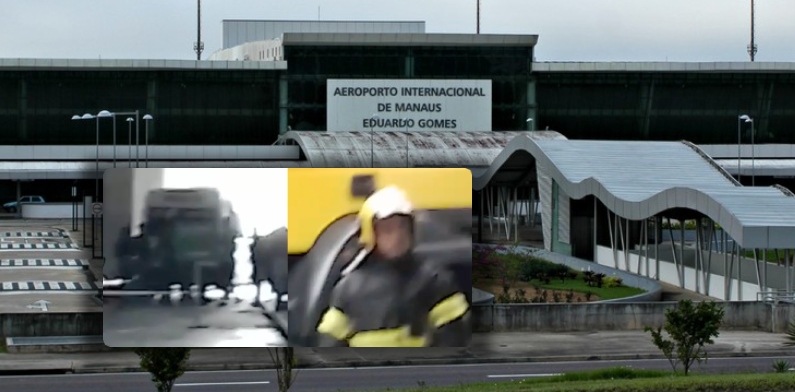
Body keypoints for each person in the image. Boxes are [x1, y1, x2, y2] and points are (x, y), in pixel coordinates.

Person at [316, 185, 470, 347]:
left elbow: (454, 337)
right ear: (371, 234)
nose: (397, 237)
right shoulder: (349, 288)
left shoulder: (434, 280)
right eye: (388, 230)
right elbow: (329, 341)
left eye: (402, 227)